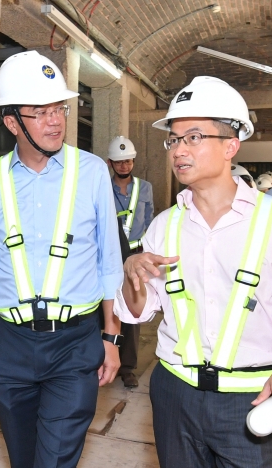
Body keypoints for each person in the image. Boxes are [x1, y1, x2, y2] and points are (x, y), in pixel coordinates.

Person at [116, 76, 272, 468]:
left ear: (231, 145)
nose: (179, 149)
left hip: (251, 398)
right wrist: (132, 273)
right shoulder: (164, 226)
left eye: (194, 137)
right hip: (175, 394)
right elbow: (138, 310)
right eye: (174, 138)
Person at [0, 50, 123, 468]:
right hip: (10, 344)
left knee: (54, 460)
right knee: (23, 457)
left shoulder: (92, 173)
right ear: (12, 122)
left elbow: (109, 264)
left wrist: (111, 339)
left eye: (59, 108)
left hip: (75, 344)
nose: (56, 120)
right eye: (40, 112)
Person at [108, 135, 154, 388]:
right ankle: (104, 358)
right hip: (110, 253)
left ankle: (127, 367)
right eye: (119, 162)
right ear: (110, 163)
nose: (124, 166)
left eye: (128, 161)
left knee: (132, 310)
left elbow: (149, 220)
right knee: (104, 305)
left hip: (134, 255)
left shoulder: (144, 188)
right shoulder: (103, 186)